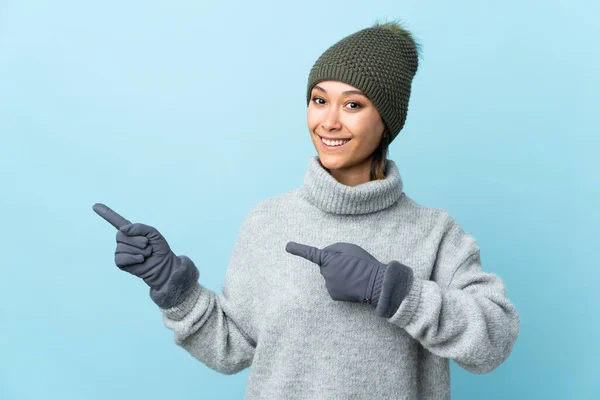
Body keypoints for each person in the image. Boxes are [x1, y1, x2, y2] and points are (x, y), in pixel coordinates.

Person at [94, 21, 520, 400]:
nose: (329, 121)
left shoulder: (435, 232)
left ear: (386, 121)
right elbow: (232, 349)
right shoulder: (267, 220)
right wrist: (175, 288)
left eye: (353, 105)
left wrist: (390, 290)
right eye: (319, 100)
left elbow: (494, 341)